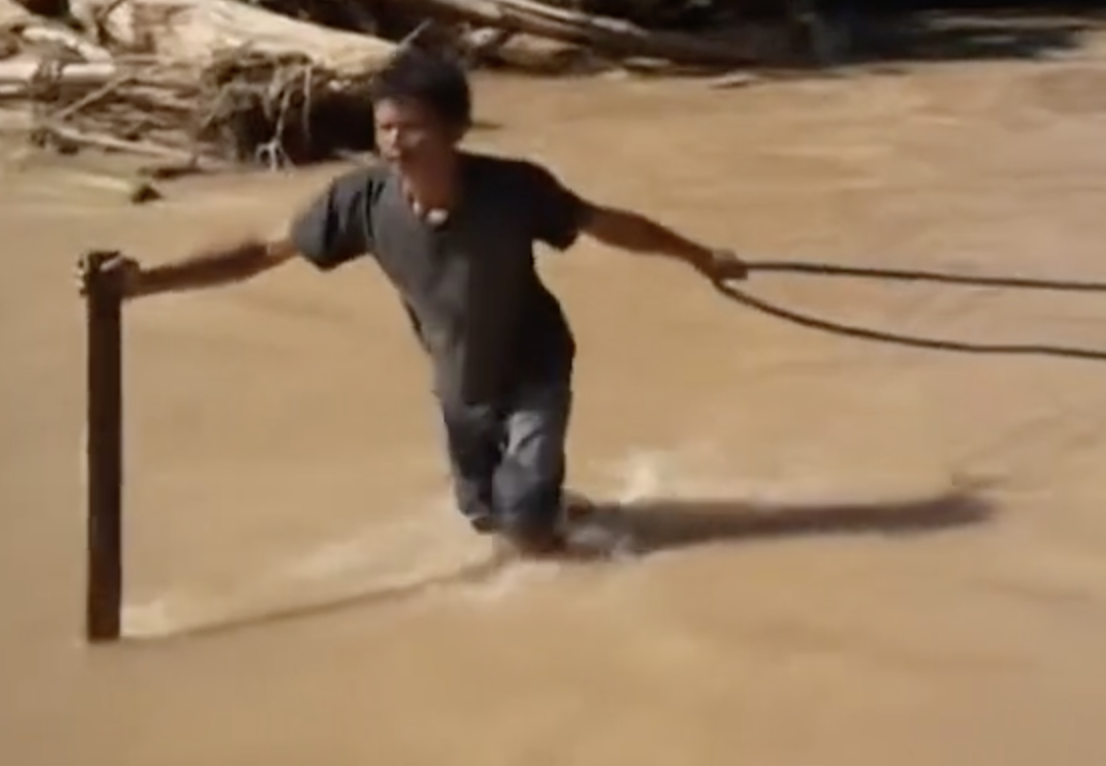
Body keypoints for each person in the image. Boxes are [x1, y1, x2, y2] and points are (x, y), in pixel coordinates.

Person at [98, 49, 747, 558]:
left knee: (524, 534)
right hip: (458, 382)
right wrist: (145, 281)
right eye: (385, 129)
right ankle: (563, 509)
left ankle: (585, 583)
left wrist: (699, 255)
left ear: (456, 130)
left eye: (414, 129)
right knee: (484, 517)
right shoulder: (358, 202)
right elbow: (258, 253)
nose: (397, 144)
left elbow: (607, 223)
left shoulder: (514, 189)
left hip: (533, 370)